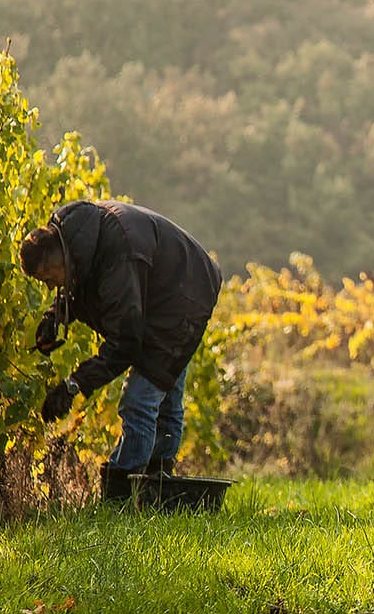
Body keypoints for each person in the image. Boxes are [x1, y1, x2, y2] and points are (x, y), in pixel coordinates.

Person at [20, 199, 223, 500]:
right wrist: (55, 315)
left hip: (185, 294)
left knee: (140, 399)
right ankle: (157, 485)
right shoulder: (79, 240)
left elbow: (125, 342)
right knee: (162, 393)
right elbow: (84, 283)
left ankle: (123, 493)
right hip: (163, 288)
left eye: (49, 279)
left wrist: (74, 385)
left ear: (61, 255)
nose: (50, 287)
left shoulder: (119, 255)